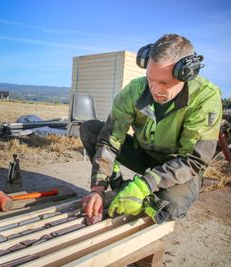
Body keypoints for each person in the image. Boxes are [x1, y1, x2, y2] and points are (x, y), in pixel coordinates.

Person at [81, 34, 222, 223]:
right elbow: (110, 141)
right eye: (150, 79)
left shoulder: (205, 98)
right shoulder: (134, 91)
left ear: (187, 74)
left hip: (178, 166)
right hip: (144, 155)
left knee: (170, 206)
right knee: (91, 129)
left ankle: (143, 197)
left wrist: (145, 185)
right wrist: (97, 188)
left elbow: (194, 160)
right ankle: (120, 190)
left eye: (164, 83)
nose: (155, 89)